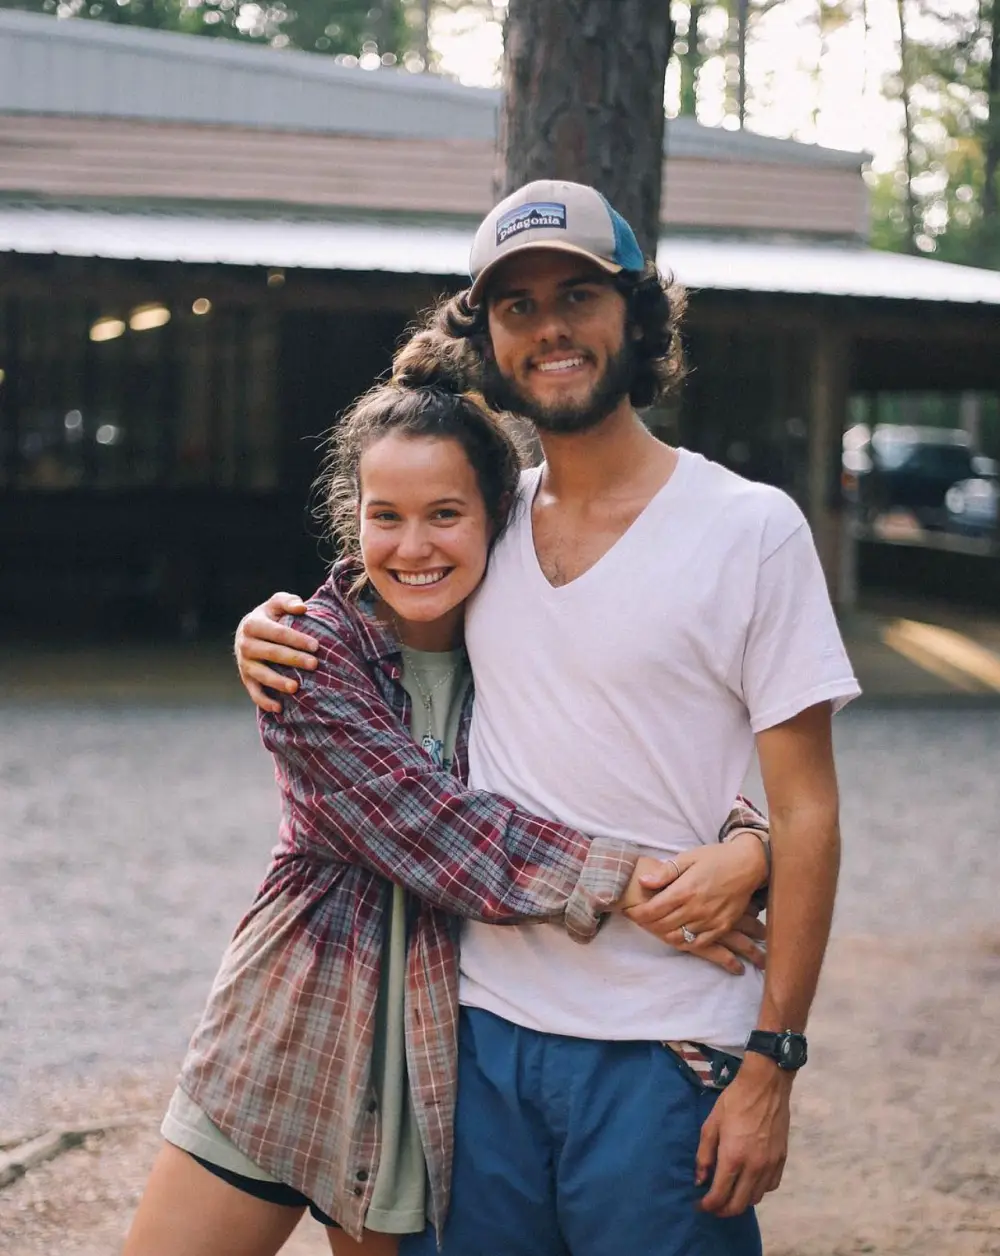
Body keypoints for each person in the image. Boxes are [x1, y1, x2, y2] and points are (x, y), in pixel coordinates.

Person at [238, 179, 861, 1256]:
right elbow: (369, 607)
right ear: (488, 338)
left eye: (577, 293)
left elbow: (807, 809)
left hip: (668, 1042)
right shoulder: (478, 524)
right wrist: (263, 630)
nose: (550, 327)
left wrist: (773, 1059)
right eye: (517, 306)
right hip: (475, 1032)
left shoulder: (750, 528)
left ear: (636, 315)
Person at [124, 343, 771, 1256]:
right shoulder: (310, 654)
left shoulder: (521, 641)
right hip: (302, 1021)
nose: (414, 546)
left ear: (497, 516)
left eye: (445, 514)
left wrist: (754, 843)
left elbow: (630, 765)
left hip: (437, 1061)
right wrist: (640, 884)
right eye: (385, 517)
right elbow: (440, 832)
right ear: (354, 521)